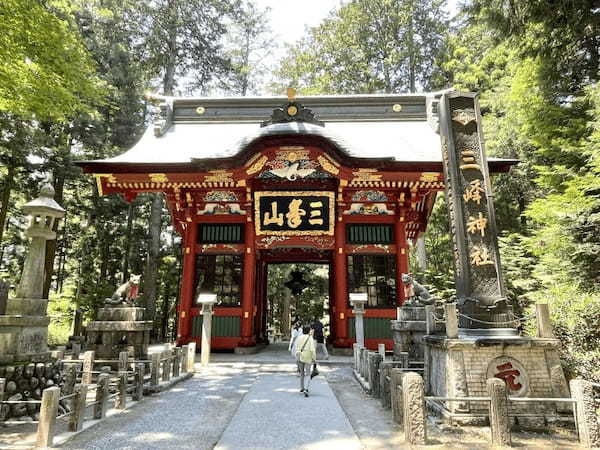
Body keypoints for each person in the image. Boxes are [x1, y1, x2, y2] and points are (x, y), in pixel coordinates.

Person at [294, 325, 316, 397]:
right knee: (308, 373)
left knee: (302, 373)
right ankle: (306, 389)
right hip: (307, 357)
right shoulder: (310, 338)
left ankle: (302, 387)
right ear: (309, 330)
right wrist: (314, 359)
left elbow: (296, 347)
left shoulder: (299, 338)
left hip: (299, 356)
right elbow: (312, 349)